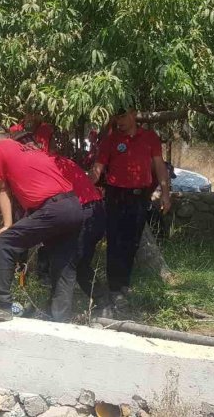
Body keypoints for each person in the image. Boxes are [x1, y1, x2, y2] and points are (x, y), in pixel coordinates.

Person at [0, 125, 83, 323]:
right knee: (63, 265)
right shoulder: (27, 148)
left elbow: (1, 188)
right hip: (73, 206)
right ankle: (60, 319)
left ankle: (1, 306)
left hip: (53, 209)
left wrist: (7, 224)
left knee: (3, 243)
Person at [13, 131, 112, 316]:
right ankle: (101, 303)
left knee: (64, 264)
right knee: (76, 263)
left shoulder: (39, 165)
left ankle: (59, 319)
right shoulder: (52, 159)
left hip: (84, 212)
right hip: (93, 212)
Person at [90, 108, 172, 307]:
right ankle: (114, 288)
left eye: (124, 115)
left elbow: (159, 166)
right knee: (115, 243)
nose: (120, 121)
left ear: (134, 114)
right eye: (117, 117)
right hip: (115, 196)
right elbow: (98, 169)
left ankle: (124, 283)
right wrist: (84, 188)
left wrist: (166, 194)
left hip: (139, 197)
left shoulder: (150, 138)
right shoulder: (110, 140)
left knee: (132, 242)